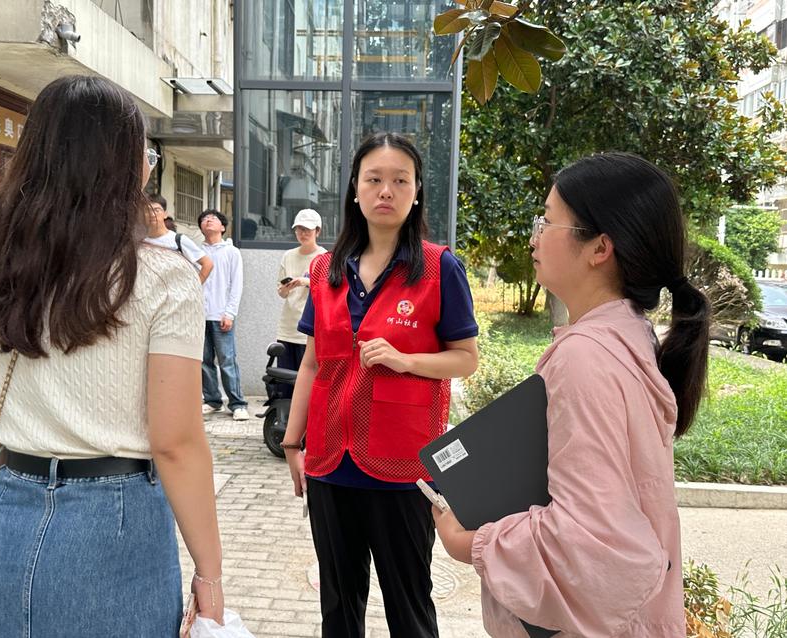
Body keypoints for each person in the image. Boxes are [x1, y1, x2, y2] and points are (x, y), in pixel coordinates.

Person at [0, 75, 224, 635]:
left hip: (4, 517)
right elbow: (176, 443)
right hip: (114, 528)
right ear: (122, 168)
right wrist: (210, 577)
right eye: (144, 154)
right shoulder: (163, 278)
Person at [433, 152, 710, 637]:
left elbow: (594, 543)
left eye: (548, 221)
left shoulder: (586, 357)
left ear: (599, 248)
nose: (535, 236)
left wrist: (472, 544)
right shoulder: (631, 336)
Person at [282, 132, 479, 638]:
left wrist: (404, 359)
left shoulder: (438, 267)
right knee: (339, 604)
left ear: (416, 194)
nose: (385, 191)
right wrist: (292, 441)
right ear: (355, 190)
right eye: (374, 179)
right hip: (330, 463)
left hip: (403, 466)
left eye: (400, 181)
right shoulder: (326, 269)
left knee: (408, 605)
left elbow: (465, 361)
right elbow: (311, 365)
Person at [198, 209, 250, 420]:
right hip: (199, 315)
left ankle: (238, 403)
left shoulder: (231, 252)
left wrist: (230, 313)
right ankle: (212, 400)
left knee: (227, 359)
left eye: (213, 219)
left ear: (222, 227)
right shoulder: (195, 251)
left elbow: (236, 285)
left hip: (221, 315)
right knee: (204, 360)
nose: (208, 220)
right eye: (204, 219)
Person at [274, 208, 327, 397]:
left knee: (308, 385)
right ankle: (285, 421)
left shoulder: (324, 257)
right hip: (287, 328)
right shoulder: (288, 255)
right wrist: (286, 289)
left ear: (318, 231)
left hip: (310, 331)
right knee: (285, 384)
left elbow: (328, 291)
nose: (303, 233)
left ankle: (306, 424)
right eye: (299, 229)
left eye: (308, 230)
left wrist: (305, 282)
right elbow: (280, 292)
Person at [144, 194, 214, 283]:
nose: (152, 214)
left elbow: (207, 264)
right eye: (147, 210)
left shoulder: (178, 240)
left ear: (165, 214)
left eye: (156, 210)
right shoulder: (141, 243)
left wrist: (194, 289)